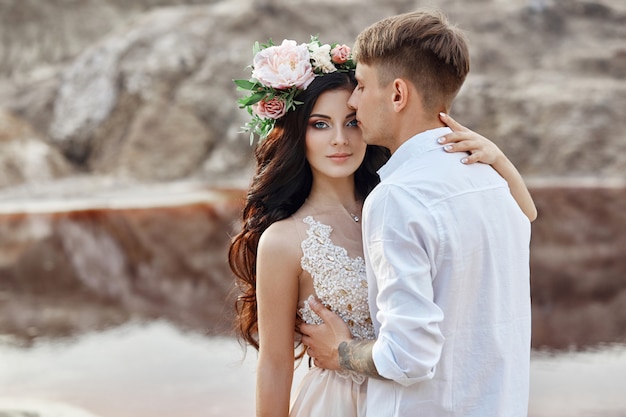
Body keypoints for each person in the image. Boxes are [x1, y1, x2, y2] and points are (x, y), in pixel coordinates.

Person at [229, 35, 536, 417]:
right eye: (320, 124)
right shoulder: (284, 239)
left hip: (405, 398)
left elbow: (522, 217)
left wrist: (498, 159)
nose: (340, 140)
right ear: (297, 134)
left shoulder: (398, 204)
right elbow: (274, 365)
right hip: (336, 403)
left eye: (352, 122)